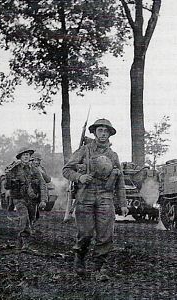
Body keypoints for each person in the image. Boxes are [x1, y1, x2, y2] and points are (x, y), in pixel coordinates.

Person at [63, 118, 128, 281]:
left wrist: (123, 203)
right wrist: (79, 177)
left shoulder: (113, 156)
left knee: (105, 235)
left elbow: (120, 181)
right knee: (85, 234)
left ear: (110, 134)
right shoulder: (84, 151)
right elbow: (66, 170)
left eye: (106, 131)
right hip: (85, 195)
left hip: (105, 196)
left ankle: (98, 268)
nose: (103, 134)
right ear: (94, 132)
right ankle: (80, 259)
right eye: (100, 130)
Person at [4, 147, 48, 248]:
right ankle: (26, 244)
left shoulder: (35, 170)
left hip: (32, 200)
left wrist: (43, 200)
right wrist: (8, 176)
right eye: (24, 155)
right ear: (20, 157)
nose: (26, 156)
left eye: (28, 154)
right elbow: (7, 186)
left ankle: (20, 242)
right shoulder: (14, 169)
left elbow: (42, 184)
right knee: (24, 218)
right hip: (19, 198)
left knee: (31, 219)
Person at [30, 152, 51, 219]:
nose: (36, 162)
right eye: (35, 160)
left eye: (38, 160)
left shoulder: (42, 168)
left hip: (41, 191)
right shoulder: (28, 168)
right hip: (32, 191)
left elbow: (48, 180)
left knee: (37, 211)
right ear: (32, 160)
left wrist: (42, 173)